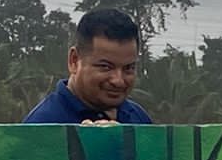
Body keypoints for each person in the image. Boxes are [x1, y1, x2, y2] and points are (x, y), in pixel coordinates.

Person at [24, 7, 152, 125]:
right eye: (106, 67)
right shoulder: (42, 126)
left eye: (128, 68)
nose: (118, 81)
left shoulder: (138, 118)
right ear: (74, 61)